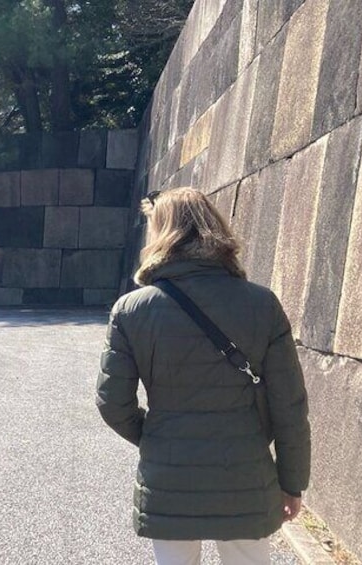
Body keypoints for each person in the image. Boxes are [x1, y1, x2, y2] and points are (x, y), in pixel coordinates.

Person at [96, 187, 311, 565]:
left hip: (169, 479)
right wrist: (292, 484)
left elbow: (113, 404)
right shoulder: (262, 304)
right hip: (245, 477)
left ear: (160, 233)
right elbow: (289, 407)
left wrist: (156, 436)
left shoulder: (131, 310)